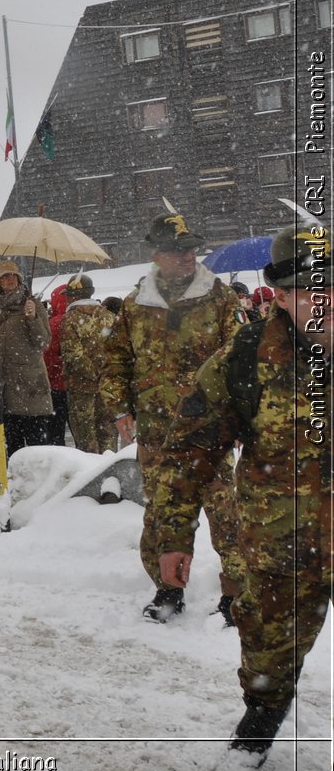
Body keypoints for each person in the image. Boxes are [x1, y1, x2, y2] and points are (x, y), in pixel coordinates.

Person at [151, 224, 331, 762]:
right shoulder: (246, 360)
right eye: (308, 288)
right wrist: (172, 537)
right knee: (267, 669)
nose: (322, 300)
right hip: (284, 553)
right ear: (279, 293)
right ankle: (256, 736)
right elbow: (186, 453)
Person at [100, 211, 245, 624]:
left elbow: (240, 362)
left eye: (191, 250)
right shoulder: (135, 304)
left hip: (210, 431)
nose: (187, 257)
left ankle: (235, 593)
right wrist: (120, 409)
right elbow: (115, 359)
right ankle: (168, 589)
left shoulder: (219, 298)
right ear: (157, 254)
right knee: (162, 513)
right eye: (178, 250)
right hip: (157, 432)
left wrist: (238, 416)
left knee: (225, 512)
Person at [0, 261, 55, 458]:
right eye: (4, 276)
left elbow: (43, 341)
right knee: (14, 452)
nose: (9, 279)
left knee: (37, 452)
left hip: (31, 388)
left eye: (12, 275)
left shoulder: (32, 304)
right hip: (6, 388)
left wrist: (32, 318)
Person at [58, 274, 116, 453]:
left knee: (85, 438)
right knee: (108, 433)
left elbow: (74, 356)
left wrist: (93, 375)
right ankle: (110, 474)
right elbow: (117, 352)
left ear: (72, 296)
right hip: (108, 387)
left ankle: (92, 476)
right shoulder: (109, 317)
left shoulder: (70, 319)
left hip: (81, 387)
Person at [43, 284, 71, 446]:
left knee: (55, 432)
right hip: (78, 385)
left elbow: (48, 356)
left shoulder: (53, 324)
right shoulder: (80, 318)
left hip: (56, 386)